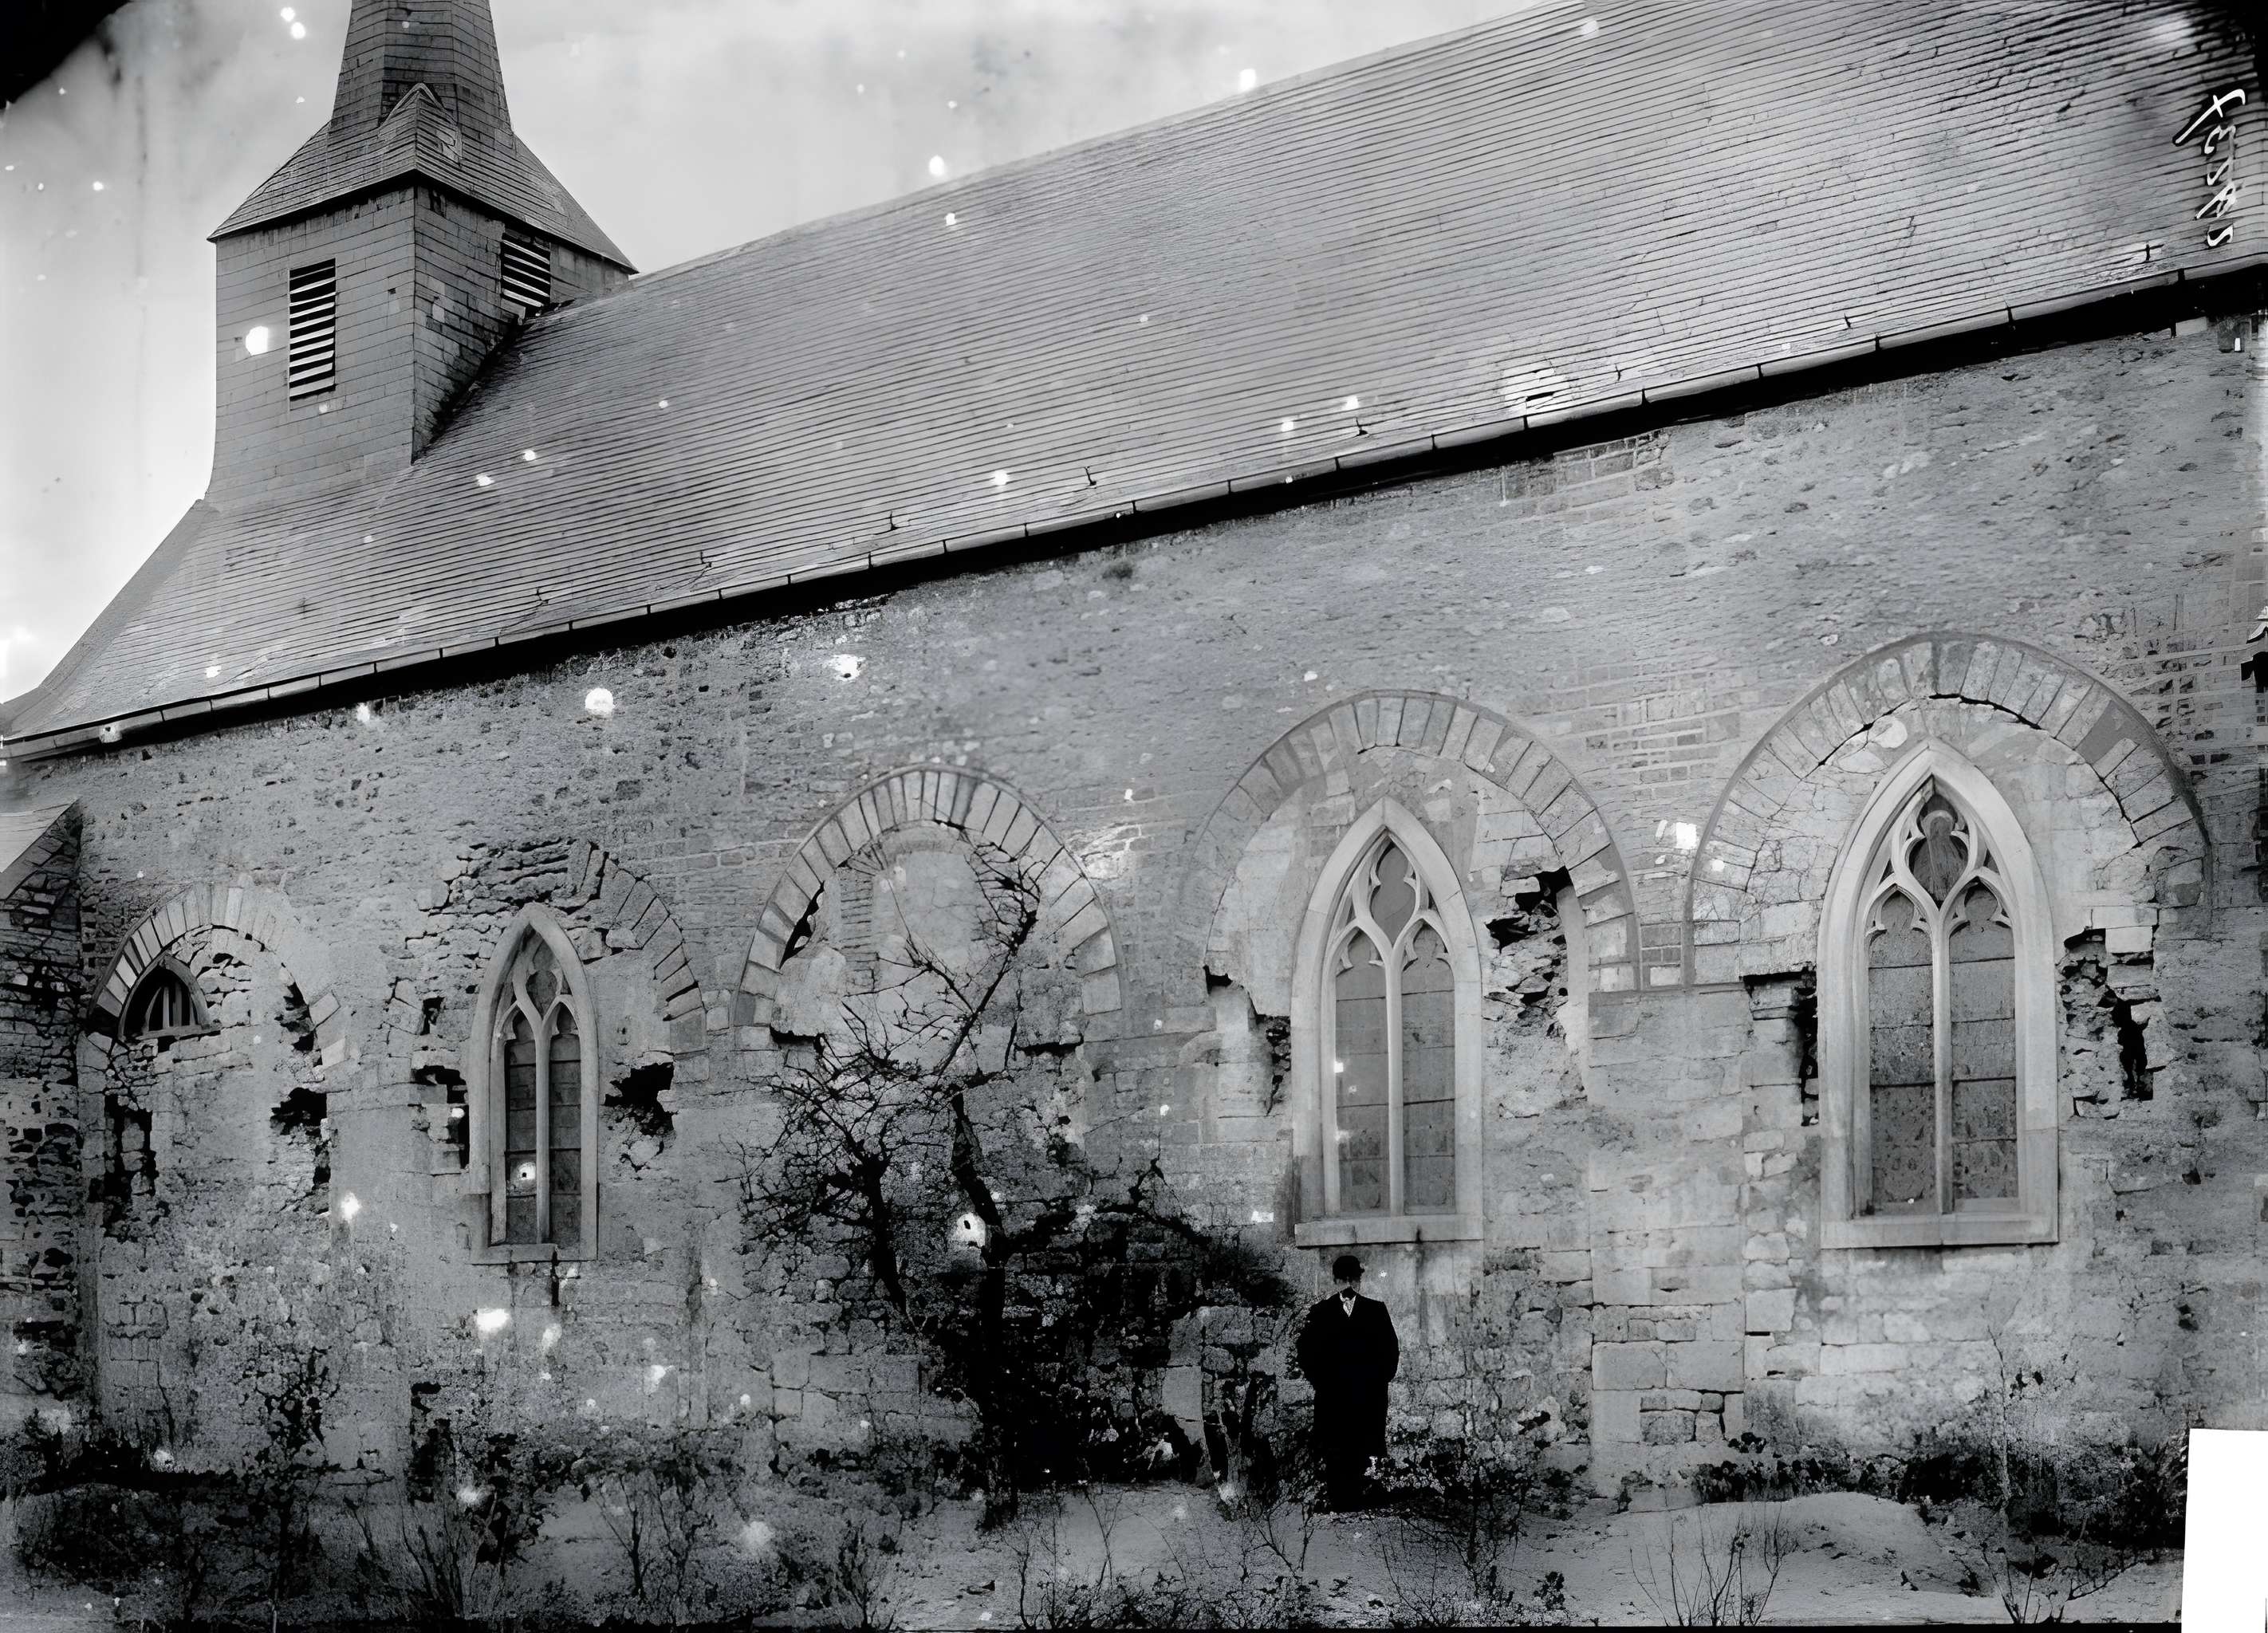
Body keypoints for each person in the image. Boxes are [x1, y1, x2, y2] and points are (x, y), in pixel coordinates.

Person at [1294, 1252, 1400, 1510]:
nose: (1350, 1285)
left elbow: (1390, 1350)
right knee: (1336, 1446)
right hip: (1334, 1397)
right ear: (1336, 1281)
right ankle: (1340, 1500)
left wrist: (1377, 1382)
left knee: (1364, 1444)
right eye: (1345, 1279)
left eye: (1353, 1279)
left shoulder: (1376, 1311)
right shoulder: (1319, 1313)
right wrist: (1323, 1384)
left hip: (1366, 1396)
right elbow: (1306, 1353)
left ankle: (1362, 1497)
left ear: (1359, 1281)